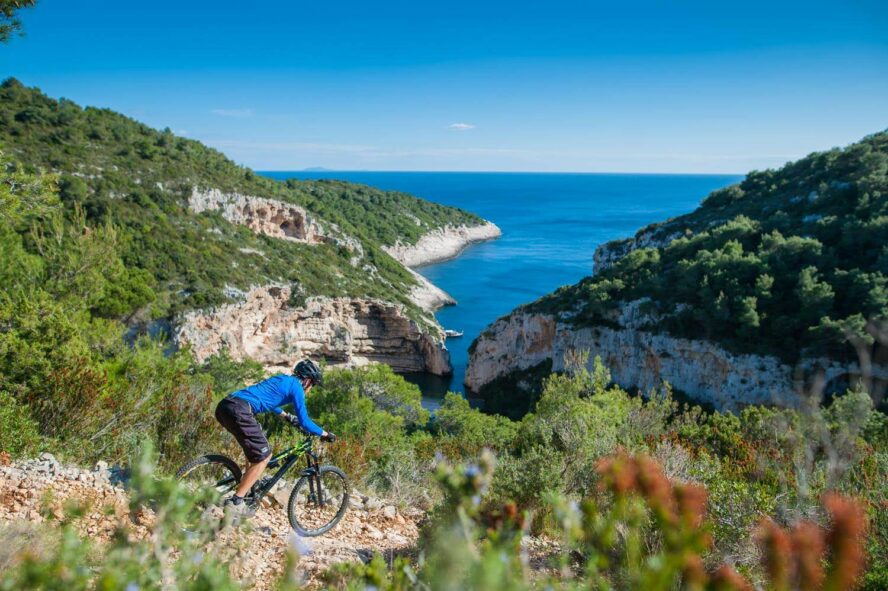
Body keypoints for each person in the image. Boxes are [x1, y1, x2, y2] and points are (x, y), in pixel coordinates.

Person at [214, 359, 336, 517]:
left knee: (254, 451)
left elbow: (267, 399)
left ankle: (249, 486)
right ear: (307, 381)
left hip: (225, 406)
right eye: (312, 385)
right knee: (264, 456)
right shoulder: (297, 387)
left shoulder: (281, 378)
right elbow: (305, 421)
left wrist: (286, 416)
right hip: (240, 411)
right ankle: (237, 501)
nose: (310, 389)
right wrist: (325, 434)